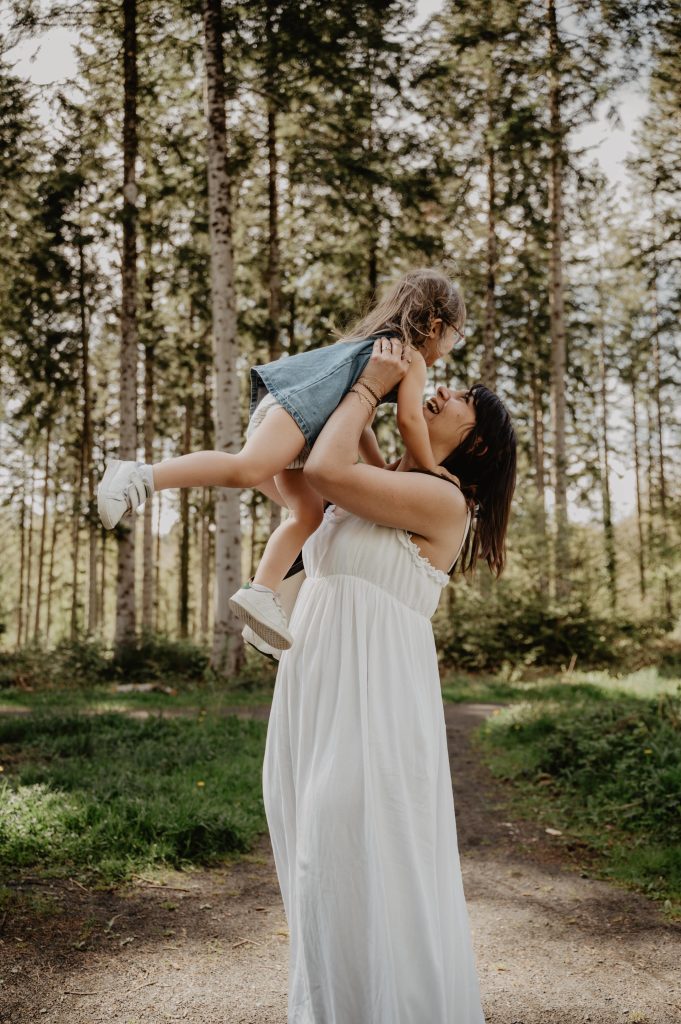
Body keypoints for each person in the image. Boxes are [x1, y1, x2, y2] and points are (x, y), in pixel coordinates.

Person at [263, 335, 516, 1023]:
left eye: (462, 400)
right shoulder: (387, 482)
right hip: (316, 691)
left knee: (348, 860)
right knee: (317, 867)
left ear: (479, 448)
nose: (443, 391)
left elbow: (326, 466)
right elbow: (299, 470)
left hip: (373, 706)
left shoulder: (443, 500)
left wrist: (370, 386)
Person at [96, 268, 466, 651]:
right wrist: (429, 466)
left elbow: (361, 423)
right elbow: (409, 421)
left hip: (303, 423)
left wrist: (378, 467)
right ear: (436, 326)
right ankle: (140, 476)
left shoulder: (378, 348)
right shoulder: (409, 359)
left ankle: (261, 593)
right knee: (246, 468)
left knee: (308, 516)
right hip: (298, 411)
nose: (450, 348)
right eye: (455, 337)